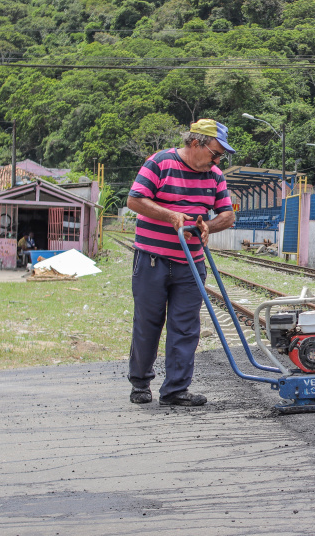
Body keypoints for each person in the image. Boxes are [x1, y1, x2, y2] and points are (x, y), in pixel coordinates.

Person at [126, 118, 235, 405]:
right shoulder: (160, 162)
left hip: (191, 262)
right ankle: (140, 383)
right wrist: (170, 215)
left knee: (185, 326)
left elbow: (228, 214)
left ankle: (175, 390)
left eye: (220, 156)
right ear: (196, 143)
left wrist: (209, 226)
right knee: (148, 322)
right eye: (215, 153)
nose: (217, 160)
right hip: (152, 258)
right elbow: (135, 199)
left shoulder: (215, 176)